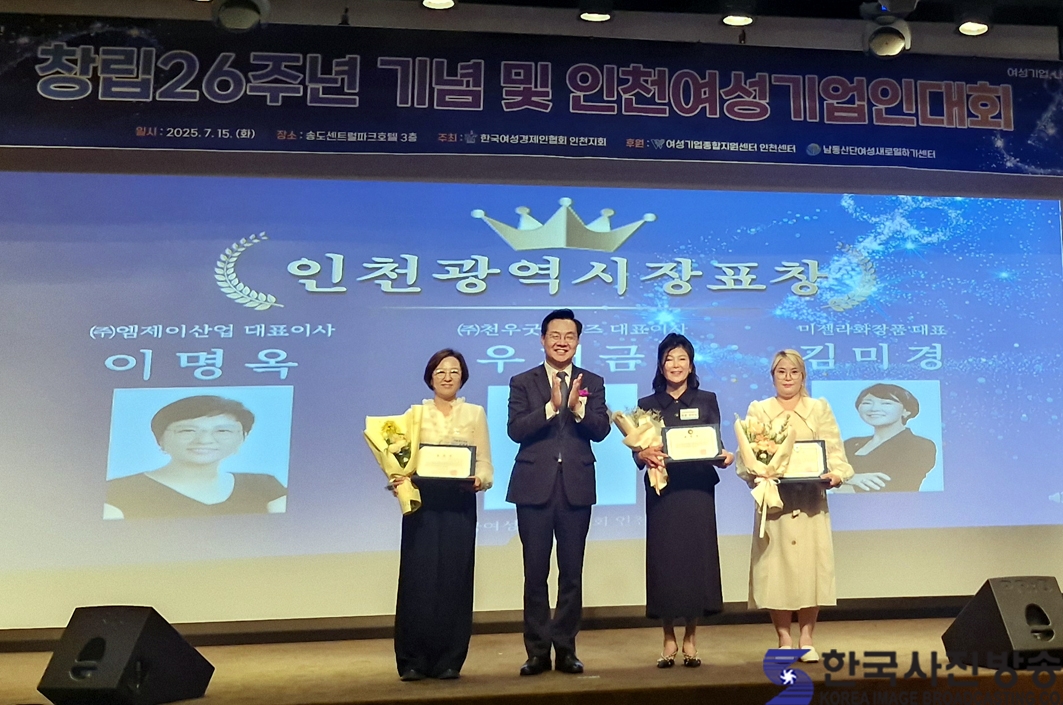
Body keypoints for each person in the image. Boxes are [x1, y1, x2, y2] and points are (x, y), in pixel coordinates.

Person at [506, 309, 610, 676]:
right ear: (542, 339)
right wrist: (551, 407)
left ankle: (566, 649)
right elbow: (515, 430)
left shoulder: (592, 382)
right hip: (533, 487)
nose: (562, 342)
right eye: (555, 335)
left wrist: (578, 408)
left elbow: (601, 430)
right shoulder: (523, 381)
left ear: (577, 342)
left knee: (571, 574)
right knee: (535, 574)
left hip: (575, 488)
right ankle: (537, 652)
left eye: (569, 336)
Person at [736, 350, 854, 663]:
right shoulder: (760, 409)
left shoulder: (818, 408)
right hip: (775, 503)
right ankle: (784, 639)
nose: (787, 378)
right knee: (776, 570)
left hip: (811, 502)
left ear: (803, 376)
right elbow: (746, 456)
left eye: (794, 372)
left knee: (812, 569)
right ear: (772, 376)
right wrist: (759, 472)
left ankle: (807, 639)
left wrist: (836, 475)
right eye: (781, 372)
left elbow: (835, 452)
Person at [391, 349, 493, 681]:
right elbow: (400, 458)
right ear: (430, 377)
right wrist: (398, 477)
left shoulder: (475, 413)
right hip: (423, 505)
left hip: (459, 504)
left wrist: (480, 479)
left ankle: (450, 659)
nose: (447, 377)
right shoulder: (414, 414)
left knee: (454, 580)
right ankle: (413, 660)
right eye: (440, 371)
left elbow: (484, 462)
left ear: (463, 377)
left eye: (454, 371)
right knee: (417, 581)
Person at [635, 334, 735, 669]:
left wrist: (723, 456)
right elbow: (640, 451)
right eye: (669, 359)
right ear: (660, 365)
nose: (675, 365)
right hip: (663, 492)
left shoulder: (706, 399)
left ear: (691, 365)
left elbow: (715, 443)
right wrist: (642, 454)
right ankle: (668, 636)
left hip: (697, 490)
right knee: (665, 562)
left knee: (696, 561)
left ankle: (691, 636)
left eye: (681, 359)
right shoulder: (648, 403)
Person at [104, 395, 286, 519]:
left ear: (242, 439)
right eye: (187, 430)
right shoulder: (116, 492)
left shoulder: (265, 486)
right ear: (160, 439)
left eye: (222, 431)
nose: (205, 440)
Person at [842, 383, 937, 493]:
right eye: (867, 403)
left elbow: (889, 488)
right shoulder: (850, 444)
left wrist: (840, 480)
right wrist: (849, 479)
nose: (874, 409)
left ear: (906, 411)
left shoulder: (920, 445)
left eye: (886, 403)